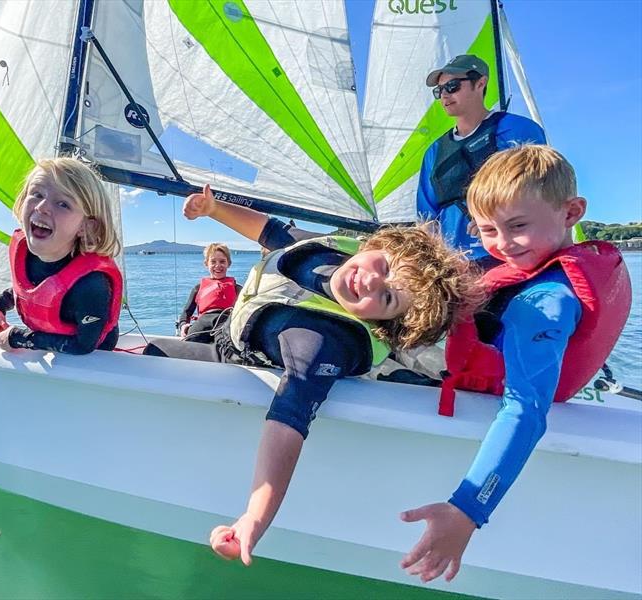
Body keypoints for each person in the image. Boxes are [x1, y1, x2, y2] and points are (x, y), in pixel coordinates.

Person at [144, 184, 481, 566]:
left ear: (384, 325)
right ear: (375, 246)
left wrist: (254, 517)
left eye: (387, 298)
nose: (371, 282)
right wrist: (213, 209)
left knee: (153, 353)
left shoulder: (324, 344)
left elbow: (288, 423)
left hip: (231, 353)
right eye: (384, 268)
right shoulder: (334, 250)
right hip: (228, 320)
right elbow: (269, 231)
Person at [400, 145, 631, 583]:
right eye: (488, 230)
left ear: (571, 212)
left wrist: (467, 509)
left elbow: (525, 409)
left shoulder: (542, 304)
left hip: (472, 379)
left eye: (517, 226)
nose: (502, 244)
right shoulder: (555, 264)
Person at [418, 54, 547, 265]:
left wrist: (494, 220)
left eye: (451, 86)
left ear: (480, 83)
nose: (444, 95)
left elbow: (542, 188)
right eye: (438, 90)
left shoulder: (519, 129)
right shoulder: (434, 151)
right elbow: (426, 217)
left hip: (511, 257)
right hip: (455, 265)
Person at [0, 157, 123, 355]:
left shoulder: (92, 285)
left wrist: (19, 338)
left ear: (86, 226)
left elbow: (83, 346)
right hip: (51, 339)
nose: (41, 207)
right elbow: (26, 290)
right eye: (36, 193)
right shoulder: (28, 256)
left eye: (63, 204)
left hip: (92, 358)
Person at [177, 243, 242, 343]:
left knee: (225, 343)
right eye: (213, 262)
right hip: (203, 322)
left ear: (229, 263)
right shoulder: (198, 288)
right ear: (206, 263)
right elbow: (187, 312)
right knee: (191, 340)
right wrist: (183, 325)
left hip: (225, 322)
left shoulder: (237, 289)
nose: (218, 265)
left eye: (222, 261)